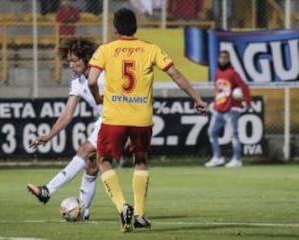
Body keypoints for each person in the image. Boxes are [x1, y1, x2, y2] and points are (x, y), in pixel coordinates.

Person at [88, 8, 207, 232]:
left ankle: (123, 206)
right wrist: (197, 99)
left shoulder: (105, 50)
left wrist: (97, 97)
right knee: (140, 160)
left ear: (115, 29)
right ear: (135, 27)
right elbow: (176, 74)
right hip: (142, 118)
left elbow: (92, 79)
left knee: (103, 160)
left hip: (114, 117)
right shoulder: (150, 49)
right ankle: (140, 215)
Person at [27, 37, 104, 220]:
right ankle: (83, 211)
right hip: (105, 119)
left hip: (118, 117)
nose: (70, 65)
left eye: (74, 60)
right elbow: (67, 114)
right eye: (68, 61)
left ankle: (47, 190)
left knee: (84, 150)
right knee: (91, 165)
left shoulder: (102, 73)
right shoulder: (77, 79)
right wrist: (49, 135)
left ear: (86, 58)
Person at [205, 50, 251, 168]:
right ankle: (217, 157)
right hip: (219, 108)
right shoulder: (217, 73)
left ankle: (237, 159)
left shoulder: (233, 73)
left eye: (225, 58)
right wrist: (215, 103)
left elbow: (244, 86)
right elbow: (218, 90)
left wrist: (247, 101)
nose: (223, 60)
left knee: (234, 134)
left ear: (229, 59)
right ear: (218, 59)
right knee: (212, 132)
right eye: (221, 57)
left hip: (232, 108)